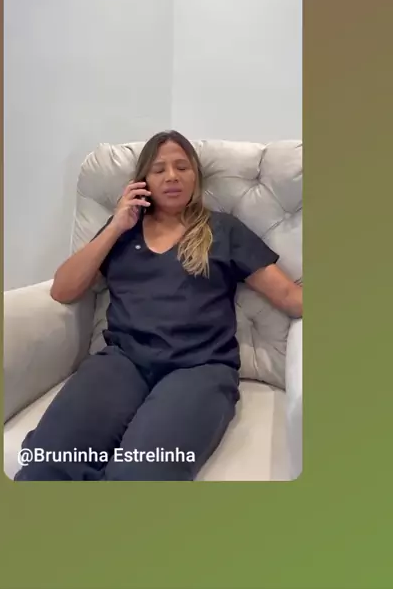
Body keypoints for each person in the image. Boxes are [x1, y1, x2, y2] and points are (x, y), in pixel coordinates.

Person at [15, 130, 302, 482]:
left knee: (139, 474)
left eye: (182, 167)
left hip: (200, 369)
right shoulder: (123, 231)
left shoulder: (223, 230)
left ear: (196, 176)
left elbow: (289, 296)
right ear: (143, 181)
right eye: (159, 169)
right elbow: (64, 290)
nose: (171, 176)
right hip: (123, 362)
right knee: (47, 462)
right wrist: (116, 226)